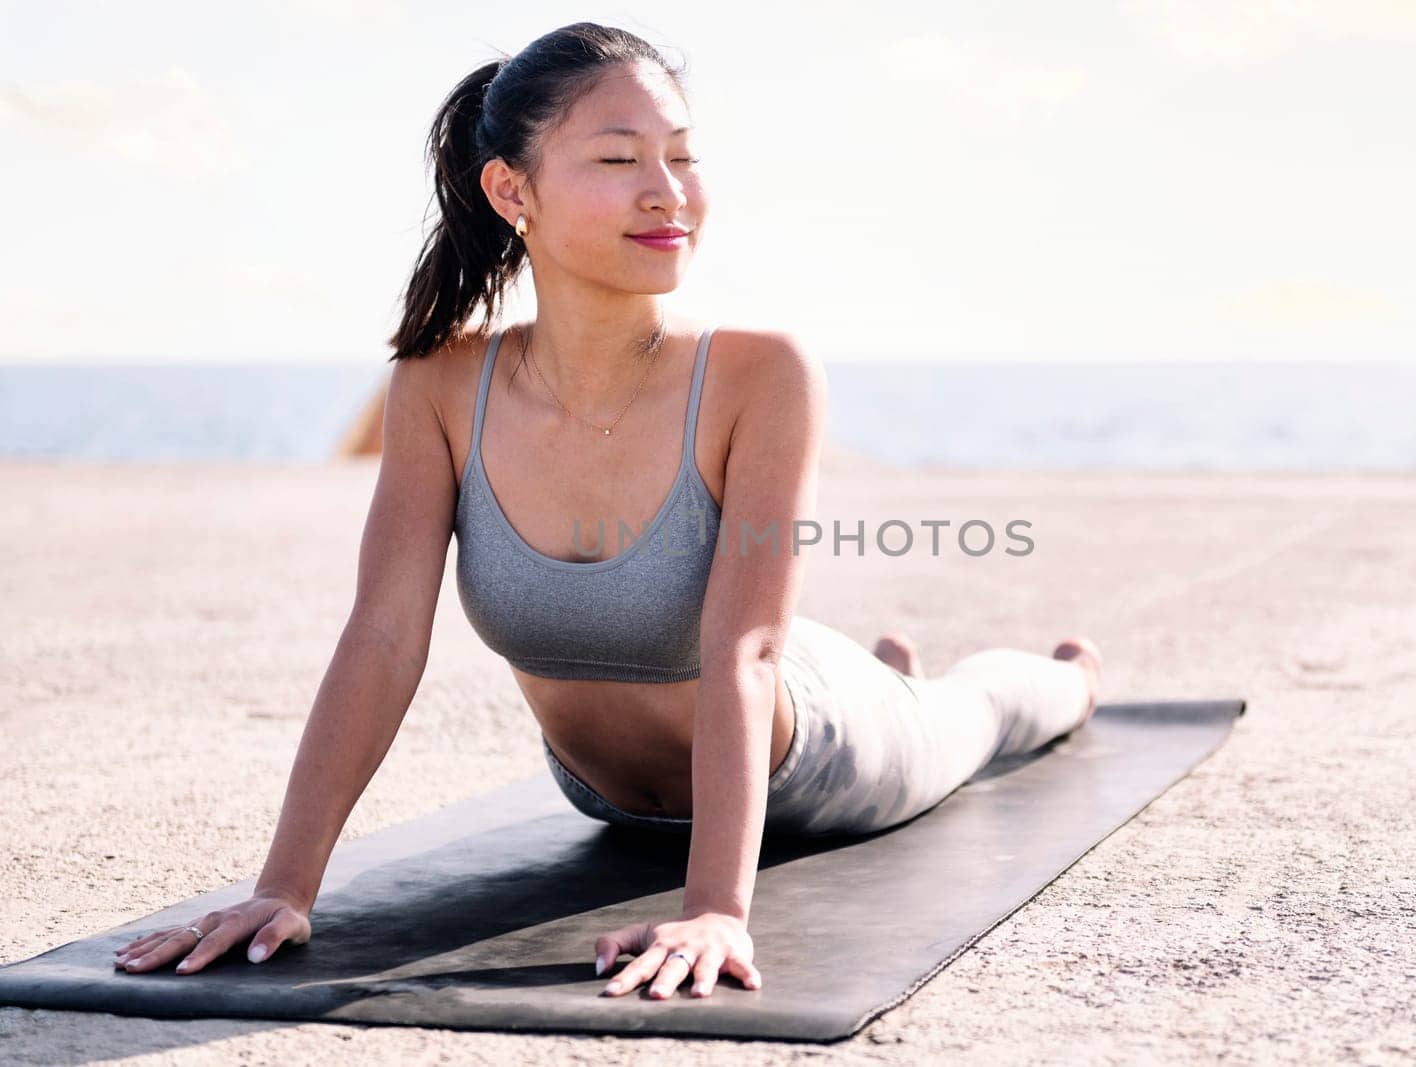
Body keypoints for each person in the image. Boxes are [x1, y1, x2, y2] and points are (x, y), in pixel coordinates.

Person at [110, 22, 1103, 1003]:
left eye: (681, 157)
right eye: (620, 158)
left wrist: (716, 905)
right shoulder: (441, 384)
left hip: (818, 758)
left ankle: (1050, 680)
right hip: (604, 793)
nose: (666, 191)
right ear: (511, 190)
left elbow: (747, 650)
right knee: (899, 690)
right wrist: (284, 885)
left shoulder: (760, 372)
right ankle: (890, 670)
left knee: (977, 713)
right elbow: (380, 635)